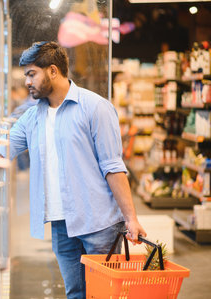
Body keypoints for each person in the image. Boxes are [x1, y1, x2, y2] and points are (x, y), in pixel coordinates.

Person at [9, 41, 147, 299]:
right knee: (75, 293)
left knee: (103, 295)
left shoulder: (94, 107)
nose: (27, 82)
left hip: (99, 223)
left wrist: (131, 218)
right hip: (61, 223)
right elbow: (3, 147)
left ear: (52, 70)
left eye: (31, 74)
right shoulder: (32, 117)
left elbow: (113, 167)